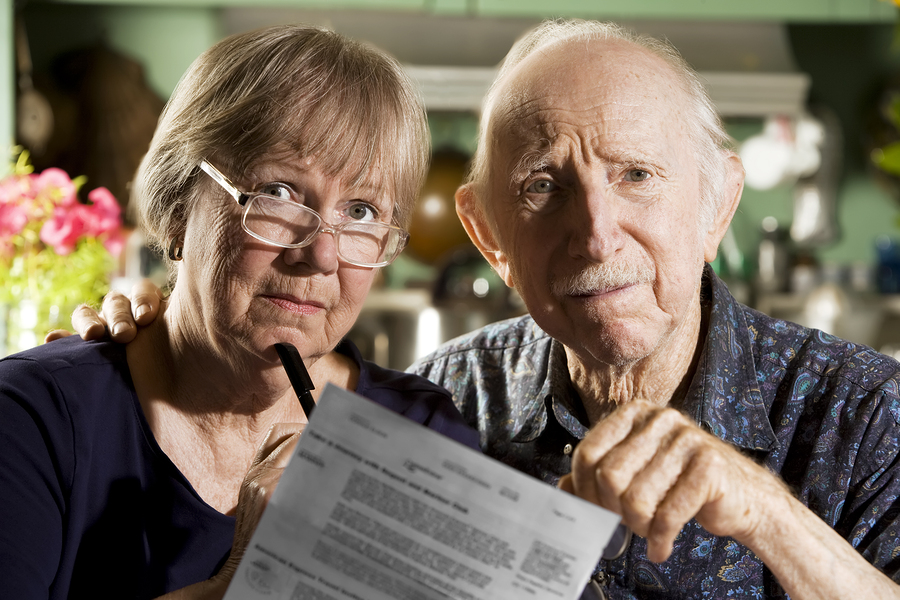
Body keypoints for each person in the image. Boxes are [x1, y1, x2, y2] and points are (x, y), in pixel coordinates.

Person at [61, 19, 900, 600]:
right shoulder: (436, 406)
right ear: (487, 234)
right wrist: (154, 336)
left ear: (718, 205)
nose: (596, 232)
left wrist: (767, 515)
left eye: (637, 175)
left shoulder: (867, 412)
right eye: (543, 187)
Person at [0, 24, 479, 600]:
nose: (321, 253)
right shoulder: (31, 420)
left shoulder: (419, 433)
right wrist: (244, 584)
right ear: (180, 209)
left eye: (360, 209)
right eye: (278, 192)